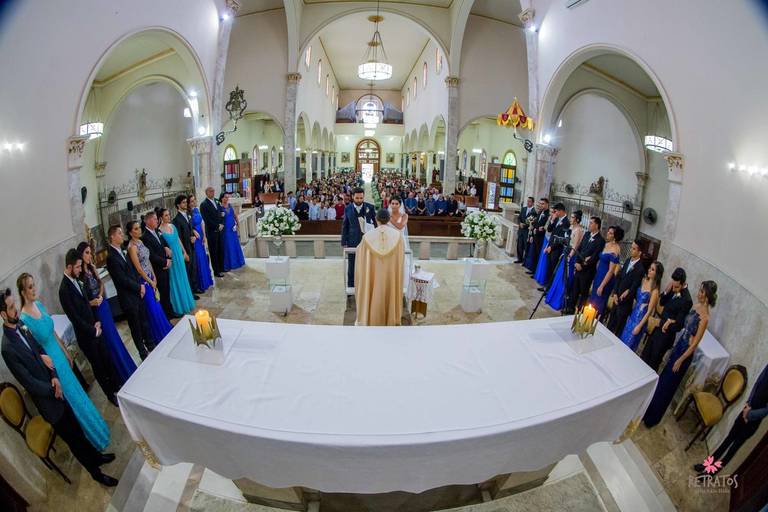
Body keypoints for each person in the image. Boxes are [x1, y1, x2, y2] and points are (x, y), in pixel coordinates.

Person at [1, 289, 118, 487]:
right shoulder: (7, 348)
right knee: (73, 441)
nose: (16, 310)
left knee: (78, 430)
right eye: (11, 307)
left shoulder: (21, 325)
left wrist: (55, 377)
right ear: (3, 314)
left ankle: (97, 457)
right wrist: (52, 388)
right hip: (49, 402)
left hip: (56, 386)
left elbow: (40, 350)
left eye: (14, 305)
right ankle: (96, 474)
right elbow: (28, 381)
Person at [24, 270, 115, 448]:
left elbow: (53, 333)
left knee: (79, 392)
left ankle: (98, 427)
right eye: (30, 287)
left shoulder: (39, 305)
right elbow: (34, 349)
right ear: (22, 292)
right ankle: (90, 438)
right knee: (72, 399)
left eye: (33, 285)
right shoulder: (24, 319)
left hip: (60, 355)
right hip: (52, 363)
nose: (34, 289)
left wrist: (66, 352)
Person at [644, 281, 717, 427]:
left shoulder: (705, 319)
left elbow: (695, 344)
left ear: (707, 296)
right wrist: (672, 321)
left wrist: (681, 360)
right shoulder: (695, 307)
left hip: (685, 354)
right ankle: (648, 411)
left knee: (668, 386)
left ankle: (653, 418)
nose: (698, 293)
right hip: (678, 347)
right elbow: (683, 323)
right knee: (663, 380)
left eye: (701, 291)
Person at [57, 251, 123, 402]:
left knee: (107, 359)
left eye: (81, 266)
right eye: (78, 267)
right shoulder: (64, 290)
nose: (80, 270)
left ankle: (118, 386)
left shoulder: (77, 280)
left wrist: (97, 321)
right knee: (99, 368)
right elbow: (75, 318)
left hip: (95, 327)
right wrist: (93, 330)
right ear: (69, 267)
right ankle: (110, 394)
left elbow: (87, 304)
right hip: (86, 336)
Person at [77, 242, 136, 382]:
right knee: (108, 339)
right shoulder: (79, 276)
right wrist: (91, 302)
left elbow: (100, 283)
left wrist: (100, 295)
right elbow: (81, 300)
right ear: (80, 254)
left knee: (114, 335)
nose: (89, 255)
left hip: (103, 305)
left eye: (90, 252)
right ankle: (119, 373)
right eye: (86, 253)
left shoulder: (92, 268)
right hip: (95, 310)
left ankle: (126, 366)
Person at [694, 363, 768, 474]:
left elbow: (766, 410)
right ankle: (706, 465)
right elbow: (757, 384)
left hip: (752, 422)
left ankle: (710, 473)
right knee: (727, 440)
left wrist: (749, 415)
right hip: (746, 411)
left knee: (732, 450)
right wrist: (748, 404)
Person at [105, 226, 156, 359]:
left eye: (122, 233)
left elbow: (133, 270)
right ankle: (142, 352)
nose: (122, 235)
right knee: (135, 327)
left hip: (137, 292)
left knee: (144, 320)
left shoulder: (123, 250)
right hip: (127, 297)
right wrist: (138, 287)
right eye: (119, 233)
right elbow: (122, 279)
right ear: (112, 237)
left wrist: (140, 285)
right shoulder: (111, 257)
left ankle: (151, 344)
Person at [354, 208, 404, 326]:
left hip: (373, 274)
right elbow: (400, 258)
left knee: (371, 290)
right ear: (389, 219)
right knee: (390, 290)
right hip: (390, 274)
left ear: (376, 219)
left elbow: (360, 252)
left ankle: (370, 318)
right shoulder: (397, 236)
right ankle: (391, 318)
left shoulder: (368, 236)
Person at [126, 221, 173, 344]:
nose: (139, 230)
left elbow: (147, 260)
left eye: (139, 228)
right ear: (130, 233)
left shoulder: (140, 242)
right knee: (152, 308)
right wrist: (149, 281)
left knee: (157, 304)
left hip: (151, 276)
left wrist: (154, 277)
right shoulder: (132, 247)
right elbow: (138, 268)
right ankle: (157, 335)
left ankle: (164, 329)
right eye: (136, 229)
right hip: (144, 280)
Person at [640, 267, 694, 372]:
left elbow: (678, 325)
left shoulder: (687, 300)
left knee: (653, 362)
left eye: (676, 286)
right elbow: (662, 302)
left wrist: (662, 322)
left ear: (683, 283)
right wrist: (666, 291)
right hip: (657, 329)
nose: (674, 288)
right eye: (673, 283)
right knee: (645, 355)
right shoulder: (672, 288)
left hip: (666, 336)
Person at [158, 208, 196, 316]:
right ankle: (178, 306)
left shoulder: (172, 226)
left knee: (183, 278)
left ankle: (186, 302)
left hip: (179, 254)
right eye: (166, 215)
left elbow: (178, 240)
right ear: (161, 217)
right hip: (172, 257)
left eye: (168, 214)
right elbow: (162, 246)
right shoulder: (159, 231)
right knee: (175, 280)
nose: (168, 217)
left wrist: (184, 252)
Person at [141, 211, 177, 318]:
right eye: (155, 219)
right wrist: (165, 262)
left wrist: (166, 250)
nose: (157, 221)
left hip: (165, 266)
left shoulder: (157, 231)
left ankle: (170, 312)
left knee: (167, 291)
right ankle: (167, 316)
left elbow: (163, 243)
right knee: (162, 293)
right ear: (148, 221)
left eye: (157, 219)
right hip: (157, 269)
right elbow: (151, 255)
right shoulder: (145, 237)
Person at [620, 261, 663, 351]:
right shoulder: (644, 280)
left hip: (640, 319)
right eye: (650, 268)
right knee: (623, 340)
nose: (649, 270)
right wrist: (628, 291)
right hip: (633, 315)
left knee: (629, 345)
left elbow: (649, 312)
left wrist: (639, 326)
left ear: (657, 274)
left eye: (652, 269)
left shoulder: (655, 291)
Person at [545, 210, 583, 311]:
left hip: (571, 255)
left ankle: (559, 300)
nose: (570, 219)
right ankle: (552, 296)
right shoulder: (571, 228)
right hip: (565, 252)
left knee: (564, 277)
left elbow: (575, 246)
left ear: (577, 220)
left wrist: (569, 256)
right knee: (559, 275)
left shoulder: (578, 230)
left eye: (572, 217)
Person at [607, 240, 646, 336]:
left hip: (625, 304)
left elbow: (634, 287)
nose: (631, 250)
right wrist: (615, 293)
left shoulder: (640, 269)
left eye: (634, 249)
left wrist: (623, 298)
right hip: (616, 298)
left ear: (639, 252)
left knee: (618, 330)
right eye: (631, 247)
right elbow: (619, 277)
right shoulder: (628, 260)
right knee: (610, 325)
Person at [341, 187, 377, 287]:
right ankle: (351, 287)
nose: (359, 200)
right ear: (352, 197)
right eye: (357, 198)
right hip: (352, 241)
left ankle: (366, 286)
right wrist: (344, 242)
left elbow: (376, 224)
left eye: (361, 198)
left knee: (367, 265)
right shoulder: (348, 208)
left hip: (367, 241)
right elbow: (345, 226)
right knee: (352, 265)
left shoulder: (370, 207)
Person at [570, 216, 605, 312]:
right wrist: (577, 262)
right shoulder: (586, 234)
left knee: (583, 293)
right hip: (578, 267)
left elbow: (595, 257)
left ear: (597, 225)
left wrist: (583, 265)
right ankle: (570, 308)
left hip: (587, 271)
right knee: (574, 289)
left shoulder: (600, 240)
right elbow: (579, 248)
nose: (589, 225)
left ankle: (579, 311)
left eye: (591, 223)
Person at [589, 225, 623, 316]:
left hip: (606, 279)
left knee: (598, 303)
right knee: (592, 300)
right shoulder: (606, 244)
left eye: (610, 233)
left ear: (615, 237)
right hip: (599, 275)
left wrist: (602, 286)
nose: (607, 233)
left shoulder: (615, 250)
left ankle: (596, 320)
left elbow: (611, 271)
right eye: (608, 231)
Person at [172, 195, 202, 297]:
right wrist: (184, 252)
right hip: (185, 249)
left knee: (194, 268)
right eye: (183, 202)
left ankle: (195, 287)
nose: (186, 204)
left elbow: (190, 229)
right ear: (178, 205)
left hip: (192, 247)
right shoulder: (176, 220)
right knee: (188, 271)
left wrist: (193, 236)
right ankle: (190, 292)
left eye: (186, 202)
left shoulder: (187, 215)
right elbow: (178, 238)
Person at [540, 203, 569, 290]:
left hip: (557, 249)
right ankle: (546, 286)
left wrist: (551, 247)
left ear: (561, 211)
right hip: (550, 246)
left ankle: (549, 288)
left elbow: (562, 239)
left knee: (553, 269)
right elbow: (549, 229)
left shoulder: (566, 222)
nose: (555, 213)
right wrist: (552, 220)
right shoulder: (557, 219)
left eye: (556, 211)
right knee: (549, 267)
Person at [189, 194, 214, 292]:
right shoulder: (188, 213)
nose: (194, 202)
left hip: (201, 238)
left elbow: (202, 222)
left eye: (194, 200)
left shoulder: (196, 210)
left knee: (203, 258)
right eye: (191, 201)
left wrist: (204, 235)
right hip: (195, 238)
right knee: (198, 259)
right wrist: (193, 231)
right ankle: (200, 284)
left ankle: (206, 281)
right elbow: (188, 226)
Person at [200, 186, 225, 278]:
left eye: (213, 191)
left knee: (220, 250)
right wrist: (217, 226)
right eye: (210, 191)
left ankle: (221, 268)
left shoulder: (217, 201)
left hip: (220, 230)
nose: (213, 192)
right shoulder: (204, 204)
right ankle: (216, 271)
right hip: (212, 232)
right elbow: (207, 219)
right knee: (214, 252)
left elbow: (222, 213)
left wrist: (222, 224)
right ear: (206, 193)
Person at [221, 192, 246, 271]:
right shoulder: (220, 208)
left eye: (227, 197)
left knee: (235, 244)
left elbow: (235, 216)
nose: (227, 199)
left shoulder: (230, 206)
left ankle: (238, 261)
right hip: (226, 230)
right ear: (222, 198)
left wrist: (238, 225)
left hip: (233, 229)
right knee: (228, 245)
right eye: (225, 197)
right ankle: (230, 263)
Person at [527, 199, 549, 275]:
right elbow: (536, 224)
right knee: (534, 254)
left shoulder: (548, 214)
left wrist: (538, 230)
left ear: (547, 204)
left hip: (541, 238)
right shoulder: (540, 212)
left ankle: (535, 272)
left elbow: (545, 228)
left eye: (543, 204)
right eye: (540, 203)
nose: (541, 205)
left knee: (538, 254)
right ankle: (532, 270)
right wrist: (532, 235)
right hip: (535, 236)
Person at [516, 197, 535, 264]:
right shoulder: (523, 209)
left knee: (526, 246)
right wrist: (520, 223)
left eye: (529, 201)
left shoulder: (534, 212)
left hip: (527, 231)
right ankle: (519, 259)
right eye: (527, 201)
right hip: (521, 230)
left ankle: (525, 261)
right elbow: (519, 218)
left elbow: (532, 222)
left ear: (533, 203)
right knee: (519, 245)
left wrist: (525, 225)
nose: (528, 202)